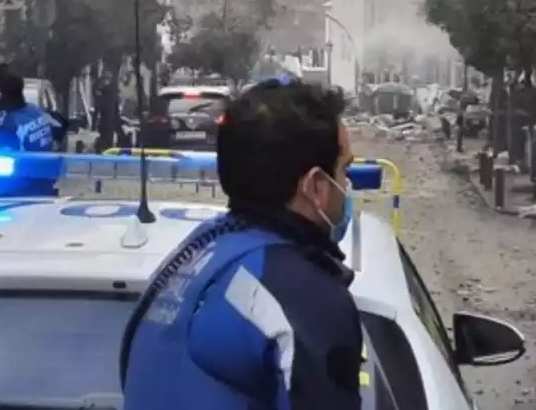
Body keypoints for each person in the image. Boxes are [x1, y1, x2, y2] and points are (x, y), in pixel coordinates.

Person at [120, 79, 363, 410]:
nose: (347, 185)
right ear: (316, 186)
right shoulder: (304, 296)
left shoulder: (201, 252)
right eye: (343, 168)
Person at [0, 73, 64, 152]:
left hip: (24, 164)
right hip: (47, 163)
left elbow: (3, 157)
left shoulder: (7, 124)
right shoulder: (35, 111)